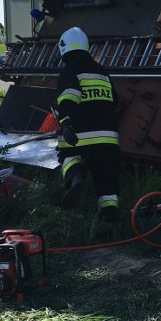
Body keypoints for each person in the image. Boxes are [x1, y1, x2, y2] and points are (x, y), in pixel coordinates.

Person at [55, 27, 121, 222]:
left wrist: (66, 124)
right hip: (109, 139)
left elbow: (68, 99)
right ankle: (108, 222)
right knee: (107, 181)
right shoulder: (103, 72)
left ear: (64, 48)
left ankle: (76, 177)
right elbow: (115, 101)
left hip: (80, 136)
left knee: (67, 155)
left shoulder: (69, 71)